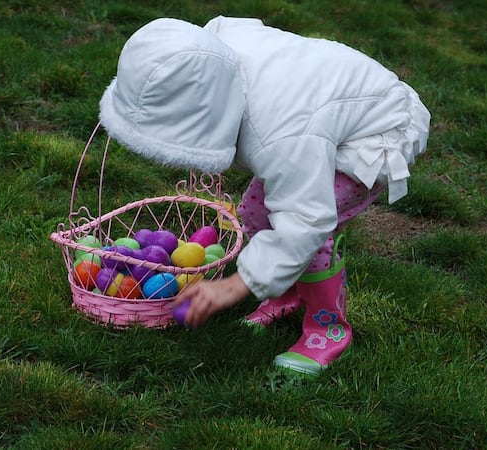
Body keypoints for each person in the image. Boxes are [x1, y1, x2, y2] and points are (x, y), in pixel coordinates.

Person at [99, 16, 430, 375]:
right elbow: (237, 26)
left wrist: (234, 287)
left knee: (313, 233)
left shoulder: (282, 132)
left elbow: (306, 220)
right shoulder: (207, 53)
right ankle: (287, 292)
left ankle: (328, 329)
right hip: (322, 107)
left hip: (379, 128)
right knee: (257, 212)